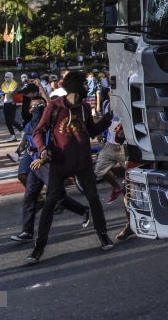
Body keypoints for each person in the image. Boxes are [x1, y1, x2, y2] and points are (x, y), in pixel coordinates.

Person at [26, 69, 115, 264]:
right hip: (60, 163)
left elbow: (91, 131)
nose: (86, 88)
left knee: (93, 199)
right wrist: (42, 151)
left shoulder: (83, 108)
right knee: (50, 203)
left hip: (83, 162)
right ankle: (38, 248)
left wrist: (108, 119)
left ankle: (103, 236)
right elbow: (38, 131)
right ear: (75, 86)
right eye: (84, 84)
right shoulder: (54, 107)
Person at [10, 95, 90, 243]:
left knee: (57, 195)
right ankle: (27, 231)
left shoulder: (50, 123)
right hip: (35, 164)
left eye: (40, 105)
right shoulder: (29, 125)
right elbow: (30, 140)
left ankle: (83, 210)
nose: (37, 109)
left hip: (47, 163)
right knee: (30, 196)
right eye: (34, 107)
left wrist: (42, 158)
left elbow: (53, 145)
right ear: (28, 110)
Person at [0, 71, 20, 141]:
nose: (6, 78)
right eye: (5, 77)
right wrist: (0, 101)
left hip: (12, 103)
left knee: (12, 120)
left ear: (11, 77)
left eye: (7, 77)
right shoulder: (3, 85)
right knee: (7, 121)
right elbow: (3, 94)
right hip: (6, 103)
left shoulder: (15, 84)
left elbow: (15, 93)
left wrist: (14, 101)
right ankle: (12, 135)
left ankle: (21, 130)